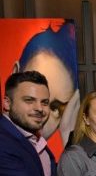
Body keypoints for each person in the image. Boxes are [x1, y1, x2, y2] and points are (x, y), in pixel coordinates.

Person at [12, 22, 80, 151]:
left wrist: (67, 135)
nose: (40, 110)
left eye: (55, 108)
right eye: (30, 98)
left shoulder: (45, 156)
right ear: (14, 74)